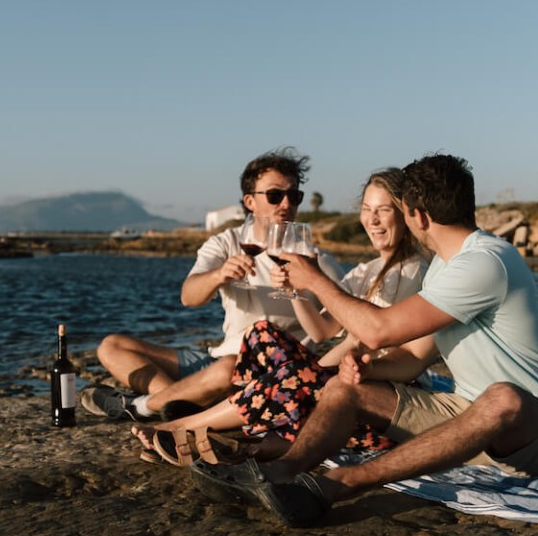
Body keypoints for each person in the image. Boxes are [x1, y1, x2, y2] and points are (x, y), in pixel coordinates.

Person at [190, 153, 538, 527]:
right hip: (466, 415)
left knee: (503, 397)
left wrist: (315, 282)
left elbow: (380, 330)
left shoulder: (485, 261)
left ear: (416, 215)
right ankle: (280, 471)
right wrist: (368, 367)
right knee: (345, 388)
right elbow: (413, 356)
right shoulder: (444, 267)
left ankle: (339, 484)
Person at [143, 168, 433, 465]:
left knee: (291, 375)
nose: (372, 220)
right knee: (261, 334)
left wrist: (309, 373)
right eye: (366, 209)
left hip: (376, 388)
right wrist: (296, 290)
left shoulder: (414, 272)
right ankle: (261, 411)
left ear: (405, 214)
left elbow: (378, 346)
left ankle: (184, 426)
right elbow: (322, 331)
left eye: (383, 210)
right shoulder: (365, 271)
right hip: (343, 376)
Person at [81, 147, 343, 424]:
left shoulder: (315, 259)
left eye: (294, 195)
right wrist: (219, 275)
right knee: (111, 346)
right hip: (218, 358)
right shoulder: (227, 243)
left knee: (227, 369)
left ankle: (142, 406)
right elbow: (188, 297)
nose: (286, 203)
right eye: (275, 195)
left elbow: (343, 318)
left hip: (269, 372)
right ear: (250, 202)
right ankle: (180, 402)